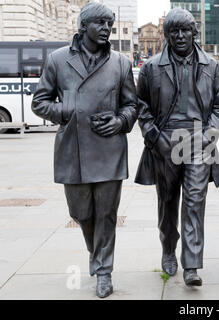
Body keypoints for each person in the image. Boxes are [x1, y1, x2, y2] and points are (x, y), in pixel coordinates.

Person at [32, 2, 138, 298]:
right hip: (72, 148)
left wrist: (119, 121)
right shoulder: (57, 59)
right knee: (81, 212)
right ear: (84, 26)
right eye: (100, 24)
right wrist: (65, 110)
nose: (106, 29)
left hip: (109, 148)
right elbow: (39, 102)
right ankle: (96, 252)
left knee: (106, 213)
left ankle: (104, 271)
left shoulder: (120, 62)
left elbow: (132, 105)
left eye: (110, 24)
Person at [134, 8, 219, 286]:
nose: (180, 36)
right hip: (165, 142)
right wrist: (154, 136)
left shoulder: (211, 65)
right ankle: (168, 249)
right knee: (168, 202)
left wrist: (211, 132)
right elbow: (141, 106)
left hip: (199, 142)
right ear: (167, 35)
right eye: (174, 31)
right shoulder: (151, 68)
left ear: (194, 32)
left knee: (195, 201)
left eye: (185, 30)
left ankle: (192, 265)